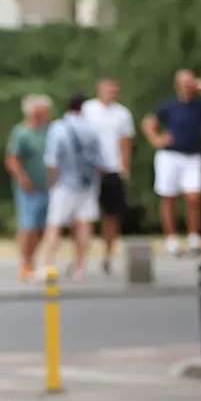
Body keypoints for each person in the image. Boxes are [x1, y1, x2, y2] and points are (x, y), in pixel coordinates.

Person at [141, 69, 201, 257]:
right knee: (168, 197)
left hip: (192, 156)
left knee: (194, 197)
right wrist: (155, 139)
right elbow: (148, 122)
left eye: (190, 82)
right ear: (177, 85)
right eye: (185, 83)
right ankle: (171, 239)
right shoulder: (169, 105)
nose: (188, 86)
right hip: (170, 155)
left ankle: (193, 237)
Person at [39, 92, 102, 281]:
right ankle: (80, 267)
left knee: (54, 226)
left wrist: (52, 183)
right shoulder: (92, 128)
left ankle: (48, 266)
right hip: (87, 184)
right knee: (83, 224)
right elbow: (99, 160)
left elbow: (51, 160)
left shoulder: (59, 128)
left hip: (64, 184)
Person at [82, 77, 135, 274]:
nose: (112, 94)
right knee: (84, 214)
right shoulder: (88, 109)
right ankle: (82, 255)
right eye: (109, 89)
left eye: (115, 90)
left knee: (111, 214)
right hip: (91, 169)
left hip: (113, 168)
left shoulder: (122, 114)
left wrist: (124, 167)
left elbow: (126, 141)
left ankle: (107, 255)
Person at [5, 95, 53, 280]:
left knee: (42, 227)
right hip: (28, 188)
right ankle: (25, 262)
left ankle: (32, 259)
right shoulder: (22, 132)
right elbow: (12, 158)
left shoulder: (48, 131)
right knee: (28, 226)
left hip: (47, 186)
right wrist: (22, 178)